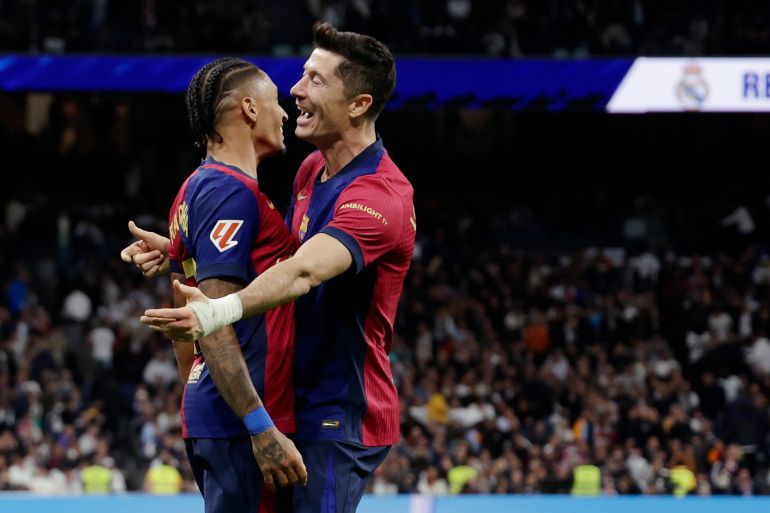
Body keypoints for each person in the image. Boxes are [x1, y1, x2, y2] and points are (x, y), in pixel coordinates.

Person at [136, 22, 415, 513]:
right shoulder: (310, 171)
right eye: (302, 74)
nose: (296, 90)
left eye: (316, 80)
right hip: (284, 398)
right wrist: (190, 248)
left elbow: (304, 271)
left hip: (337, 410)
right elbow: (274, 259)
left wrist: (219, 309)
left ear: (359, 104)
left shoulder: (380, 196)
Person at [123, 56, 307, 513]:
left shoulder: (194, 189)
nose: (284, 114)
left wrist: (173, 253)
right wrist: (259, 425)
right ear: (249, 109)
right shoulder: (228, 190)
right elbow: (213, 318)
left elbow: (189, 322)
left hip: (217, 416)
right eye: (275, 103)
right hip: (239, 422)